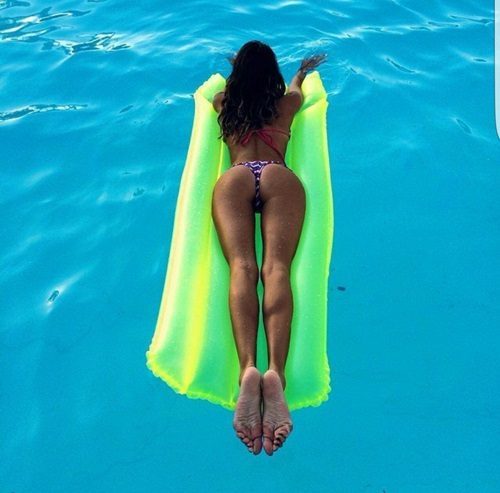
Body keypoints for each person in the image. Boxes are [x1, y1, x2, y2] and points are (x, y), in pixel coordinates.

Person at [211, 40, 327, 456]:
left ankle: (248, 368)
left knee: (242, 268)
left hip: (237, 176)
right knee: (276, 269)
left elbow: (223, 89)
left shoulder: (225, 103)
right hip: (278, 174)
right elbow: (296, 89)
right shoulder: (287, 104)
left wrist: (236, 71)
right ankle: (275, 370)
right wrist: (302, 71)